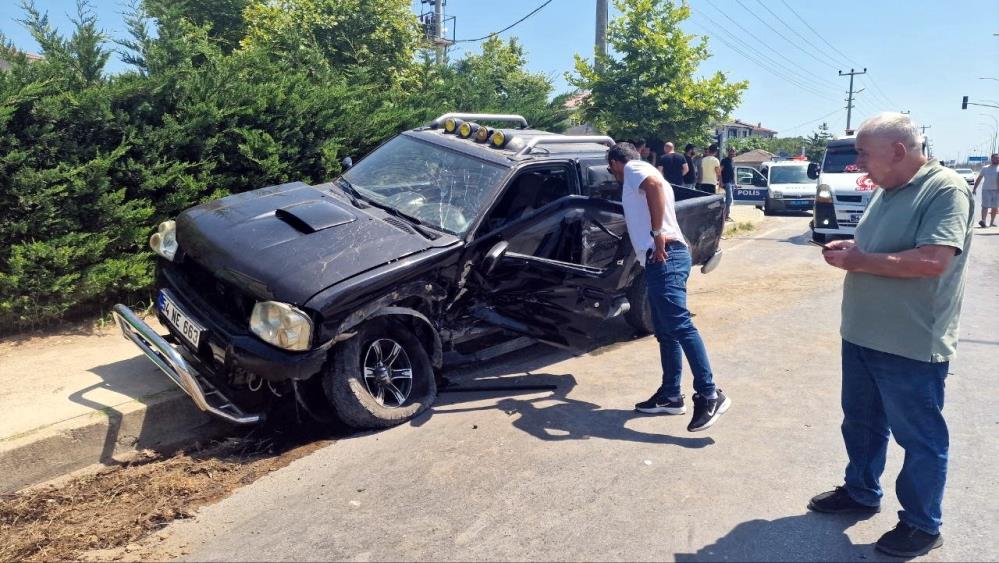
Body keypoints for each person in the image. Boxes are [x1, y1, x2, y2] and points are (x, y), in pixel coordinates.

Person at [808, 113, 974, 558]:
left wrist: (859, 262)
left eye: (863, 153)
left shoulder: (945, 190)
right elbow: (881, 249)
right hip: (862, 333)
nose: (858, 163)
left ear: (898, 152)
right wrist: (854, 250)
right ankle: (860, 490)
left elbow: (932, 261)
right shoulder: (887, 189)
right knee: (861, 423)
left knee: (919, 439)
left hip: (910, 342)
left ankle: (922, 524)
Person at [605, 142, 731, 432]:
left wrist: (658, 232)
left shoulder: (637, 169)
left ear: (615, 162)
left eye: (612, 169)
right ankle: (671, 396)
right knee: (666, 330)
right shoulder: (644, 171)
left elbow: (653, 186)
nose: (613, 175)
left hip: (666, 254)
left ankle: (711, 394)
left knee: (680, 325)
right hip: (662, 258)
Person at [971, 153, 998, 227]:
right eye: (995, 158)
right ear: (992, 159)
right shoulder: (985, 168)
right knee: (985, 206)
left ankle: (992, 222)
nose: (996, 159)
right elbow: (979, 179)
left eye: (997, 158)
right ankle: (983, 221)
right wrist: (974, 189)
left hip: (997, 190)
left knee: (995, 207)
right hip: (986, 190)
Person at [720, 147, 736, 221]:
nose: (732, 153)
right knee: (728, 199)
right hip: (726, 182)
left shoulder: (732, 161)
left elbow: (733, 172)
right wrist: (721, 181)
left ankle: (726, 215)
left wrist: (735, 182)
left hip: (731, 182)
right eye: (731, 151)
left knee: (729, 200)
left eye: (733, 151)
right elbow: (720, 171)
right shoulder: (724, 160)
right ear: (728, 152)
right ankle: (725, 216)